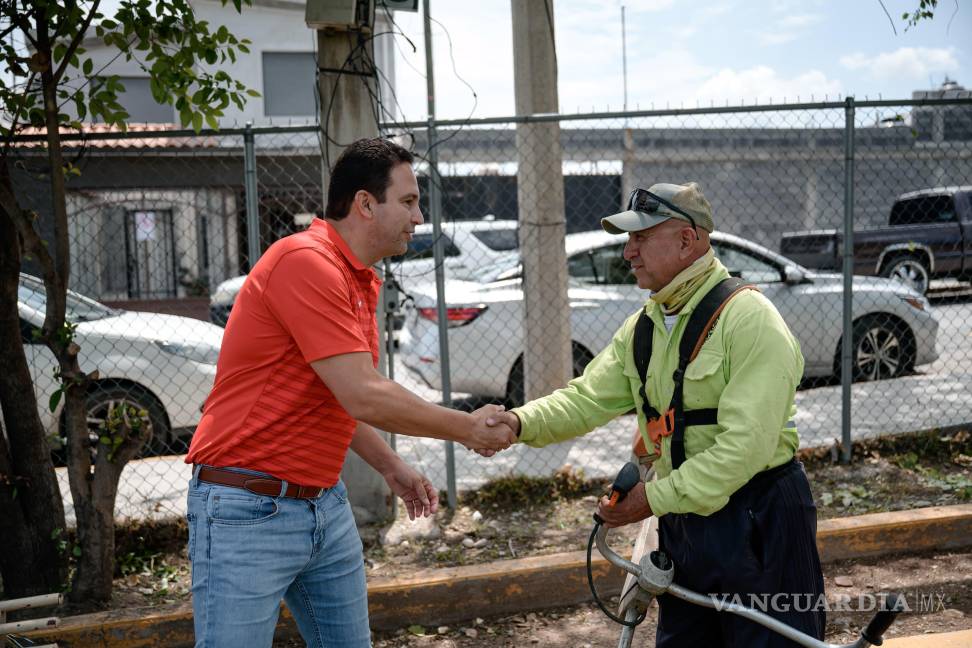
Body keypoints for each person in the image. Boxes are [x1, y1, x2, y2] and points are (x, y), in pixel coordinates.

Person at [184, 137, 516, 647]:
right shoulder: (305, 262)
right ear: (365, 203)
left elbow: (336, 393)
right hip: (246, 508)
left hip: (322, 504)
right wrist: (467, 426)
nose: (419, 217)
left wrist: (389, 466)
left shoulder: (358, 277)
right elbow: (363, 393)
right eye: (407, 201)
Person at [486, 182, 825, 647]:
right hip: (685, 523)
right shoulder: (643, 328)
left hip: (759, 519)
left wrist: (651, 499)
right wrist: (518, 423)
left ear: (688, 240)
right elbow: (585, 398)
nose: (628, 252)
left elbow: (743, 450)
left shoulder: (749, 319)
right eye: (629, 240)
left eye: (641, 238)